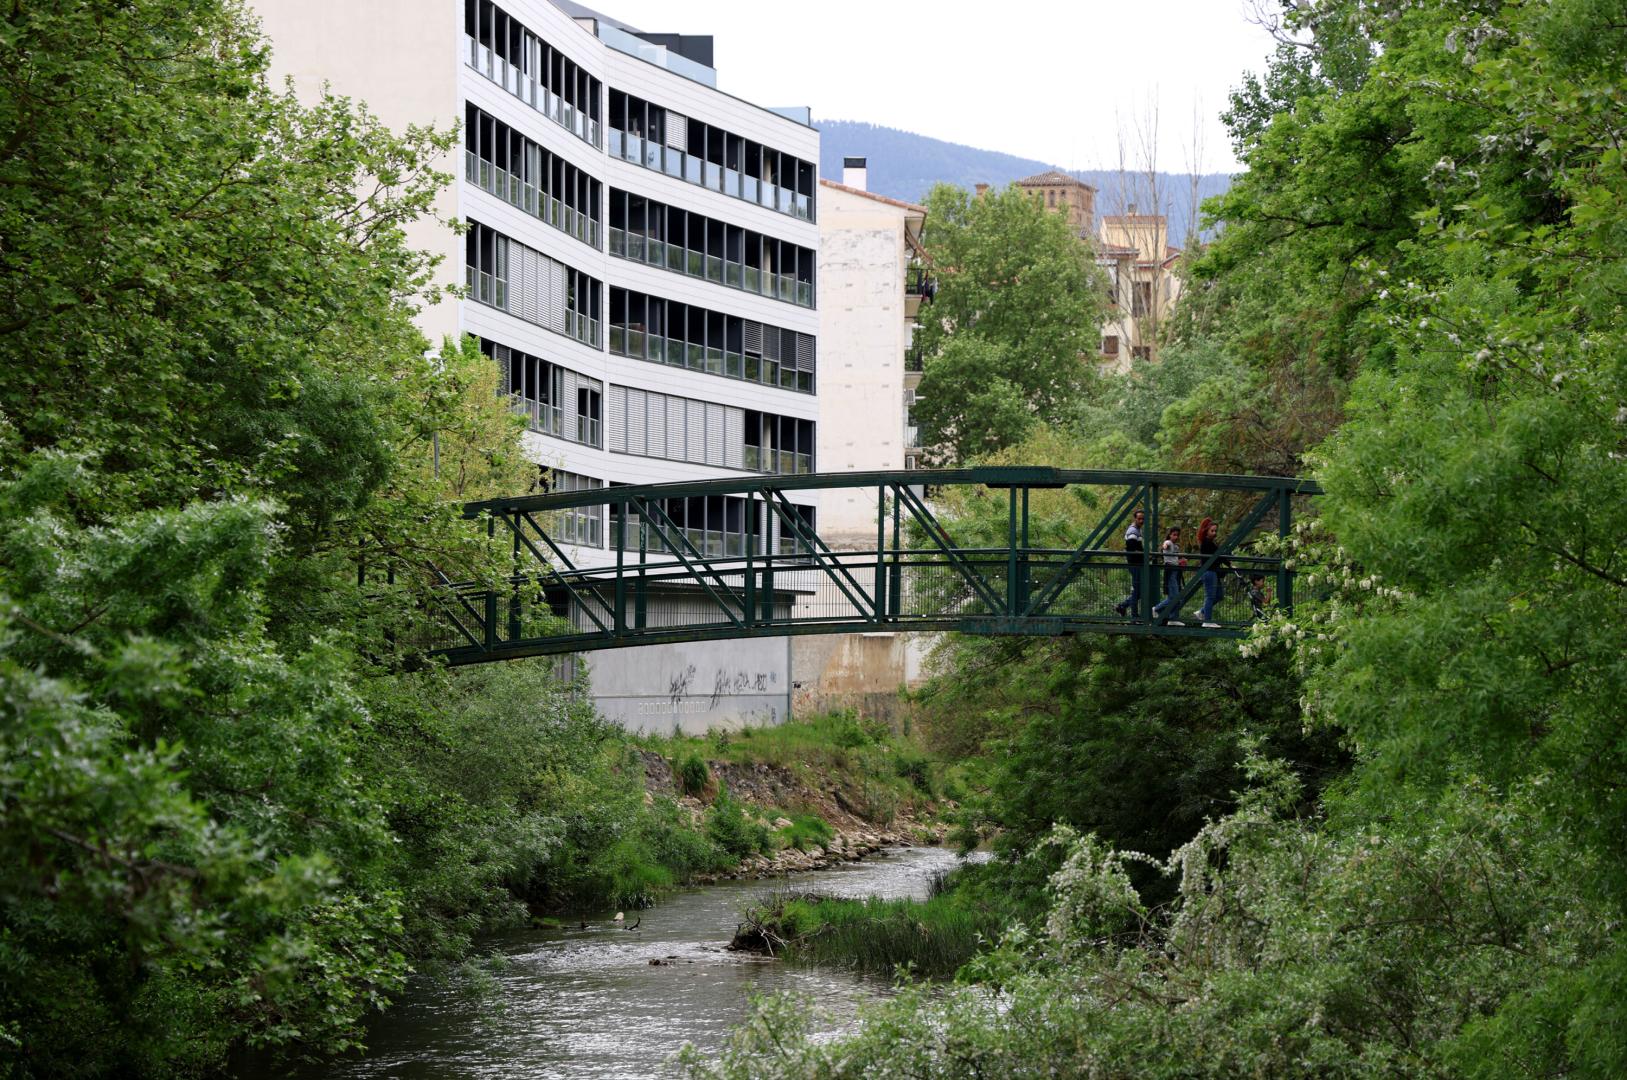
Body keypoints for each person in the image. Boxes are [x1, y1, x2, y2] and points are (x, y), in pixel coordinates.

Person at [1113, 509, 1146, 616]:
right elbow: (1132, 550)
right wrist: (1145, 555)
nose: (1141, 521)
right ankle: (1134, 617)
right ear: (1135, 519)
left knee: (1139, 590)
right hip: (1135, 564)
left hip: (1137, 563)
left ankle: (1122, 606)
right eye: (1139, 518)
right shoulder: (1133, 531)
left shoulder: (1137, 530)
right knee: (1137, 590)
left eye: (1143, 519)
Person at [1152, 525, 1186, 625]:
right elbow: (1165, 545)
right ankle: (1157, 608)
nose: (1176, 537)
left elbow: (1176, 558)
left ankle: (1173, 618)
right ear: (1170, 535)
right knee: (1175, 597)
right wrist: (1164, 547)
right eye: (1174, 535)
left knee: (1175, 597)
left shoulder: (1176, 546)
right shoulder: (1169, 543)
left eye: (1177, 535)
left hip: (1175, 571)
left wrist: (1182, 561)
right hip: (1170, 570)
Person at [1196, 517, 1225, 627]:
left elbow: (1219, 555)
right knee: (1210, 596)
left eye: (1215, 531)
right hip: (1209, 572)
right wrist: (1229, 563)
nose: (1214, 533)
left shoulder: (1211, 543)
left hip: (1214, 572)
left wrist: (1230, 564)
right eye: (1212, 531)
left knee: (1219, 595)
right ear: (1206, 531)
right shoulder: (1207, 543)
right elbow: (1219, 556)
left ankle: (1202, 612)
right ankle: (1207, 621)